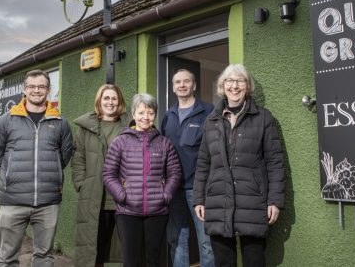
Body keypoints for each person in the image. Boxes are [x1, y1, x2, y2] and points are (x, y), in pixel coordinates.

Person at [193, 64, 285, 267]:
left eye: (240, 81)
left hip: (253, 202)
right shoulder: (211, 120)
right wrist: (199, 199)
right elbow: (203, 164)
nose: (234, 86)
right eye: (229, 81)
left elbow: (275, 162)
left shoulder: (263, 118)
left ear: (247, 86)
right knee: (223, 262)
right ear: (222, 86)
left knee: (254, 261)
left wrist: (275, 201)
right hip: (217, 202)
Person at [0, 69, 75, 267]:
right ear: (24, 89)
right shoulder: (6, 121)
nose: (37, 90)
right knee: (7, 258)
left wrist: (48, 174)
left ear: (49, 89)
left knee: (44, 257)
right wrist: (12, 175)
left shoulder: (61, 123)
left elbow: (64, 156)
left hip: (47, 201)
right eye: (32, 86)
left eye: (41, 86)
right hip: (13, 200)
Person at [102, 93, 182, 267]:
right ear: (133, 114)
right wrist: (122, 196)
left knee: (153, 259)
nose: (146, 117)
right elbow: (108, 173)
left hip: (157, 211)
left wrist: (165, 195)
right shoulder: (120, 142)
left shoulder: (164, 143)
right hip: (128, 212)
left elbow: (175, 173)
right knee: (131, 261)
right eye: (141, 113)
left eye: (150, 113)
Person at [71, 84, 129, 267]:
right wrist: (81, 183)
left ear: (119, 101)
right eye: (106, 98)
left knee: (124, 250)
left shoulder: (130, 126)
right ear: (99, 101)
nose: (110, 102)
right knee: (93, 249)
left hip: (123, 199)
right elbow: (78, 158)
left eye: (114, 98)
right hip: (95, 198)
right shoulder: (86, 128)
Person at [161, 69, 215, 267]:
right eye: (177, 82)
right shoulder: (168, 116)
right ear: (174, 88)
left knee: (207, 240)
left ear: (194, 85)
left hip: (200, 188)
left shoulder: (208, 111)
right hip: (174, 188)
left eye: (186, 81)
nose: (182, 85)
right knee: (177, 238)